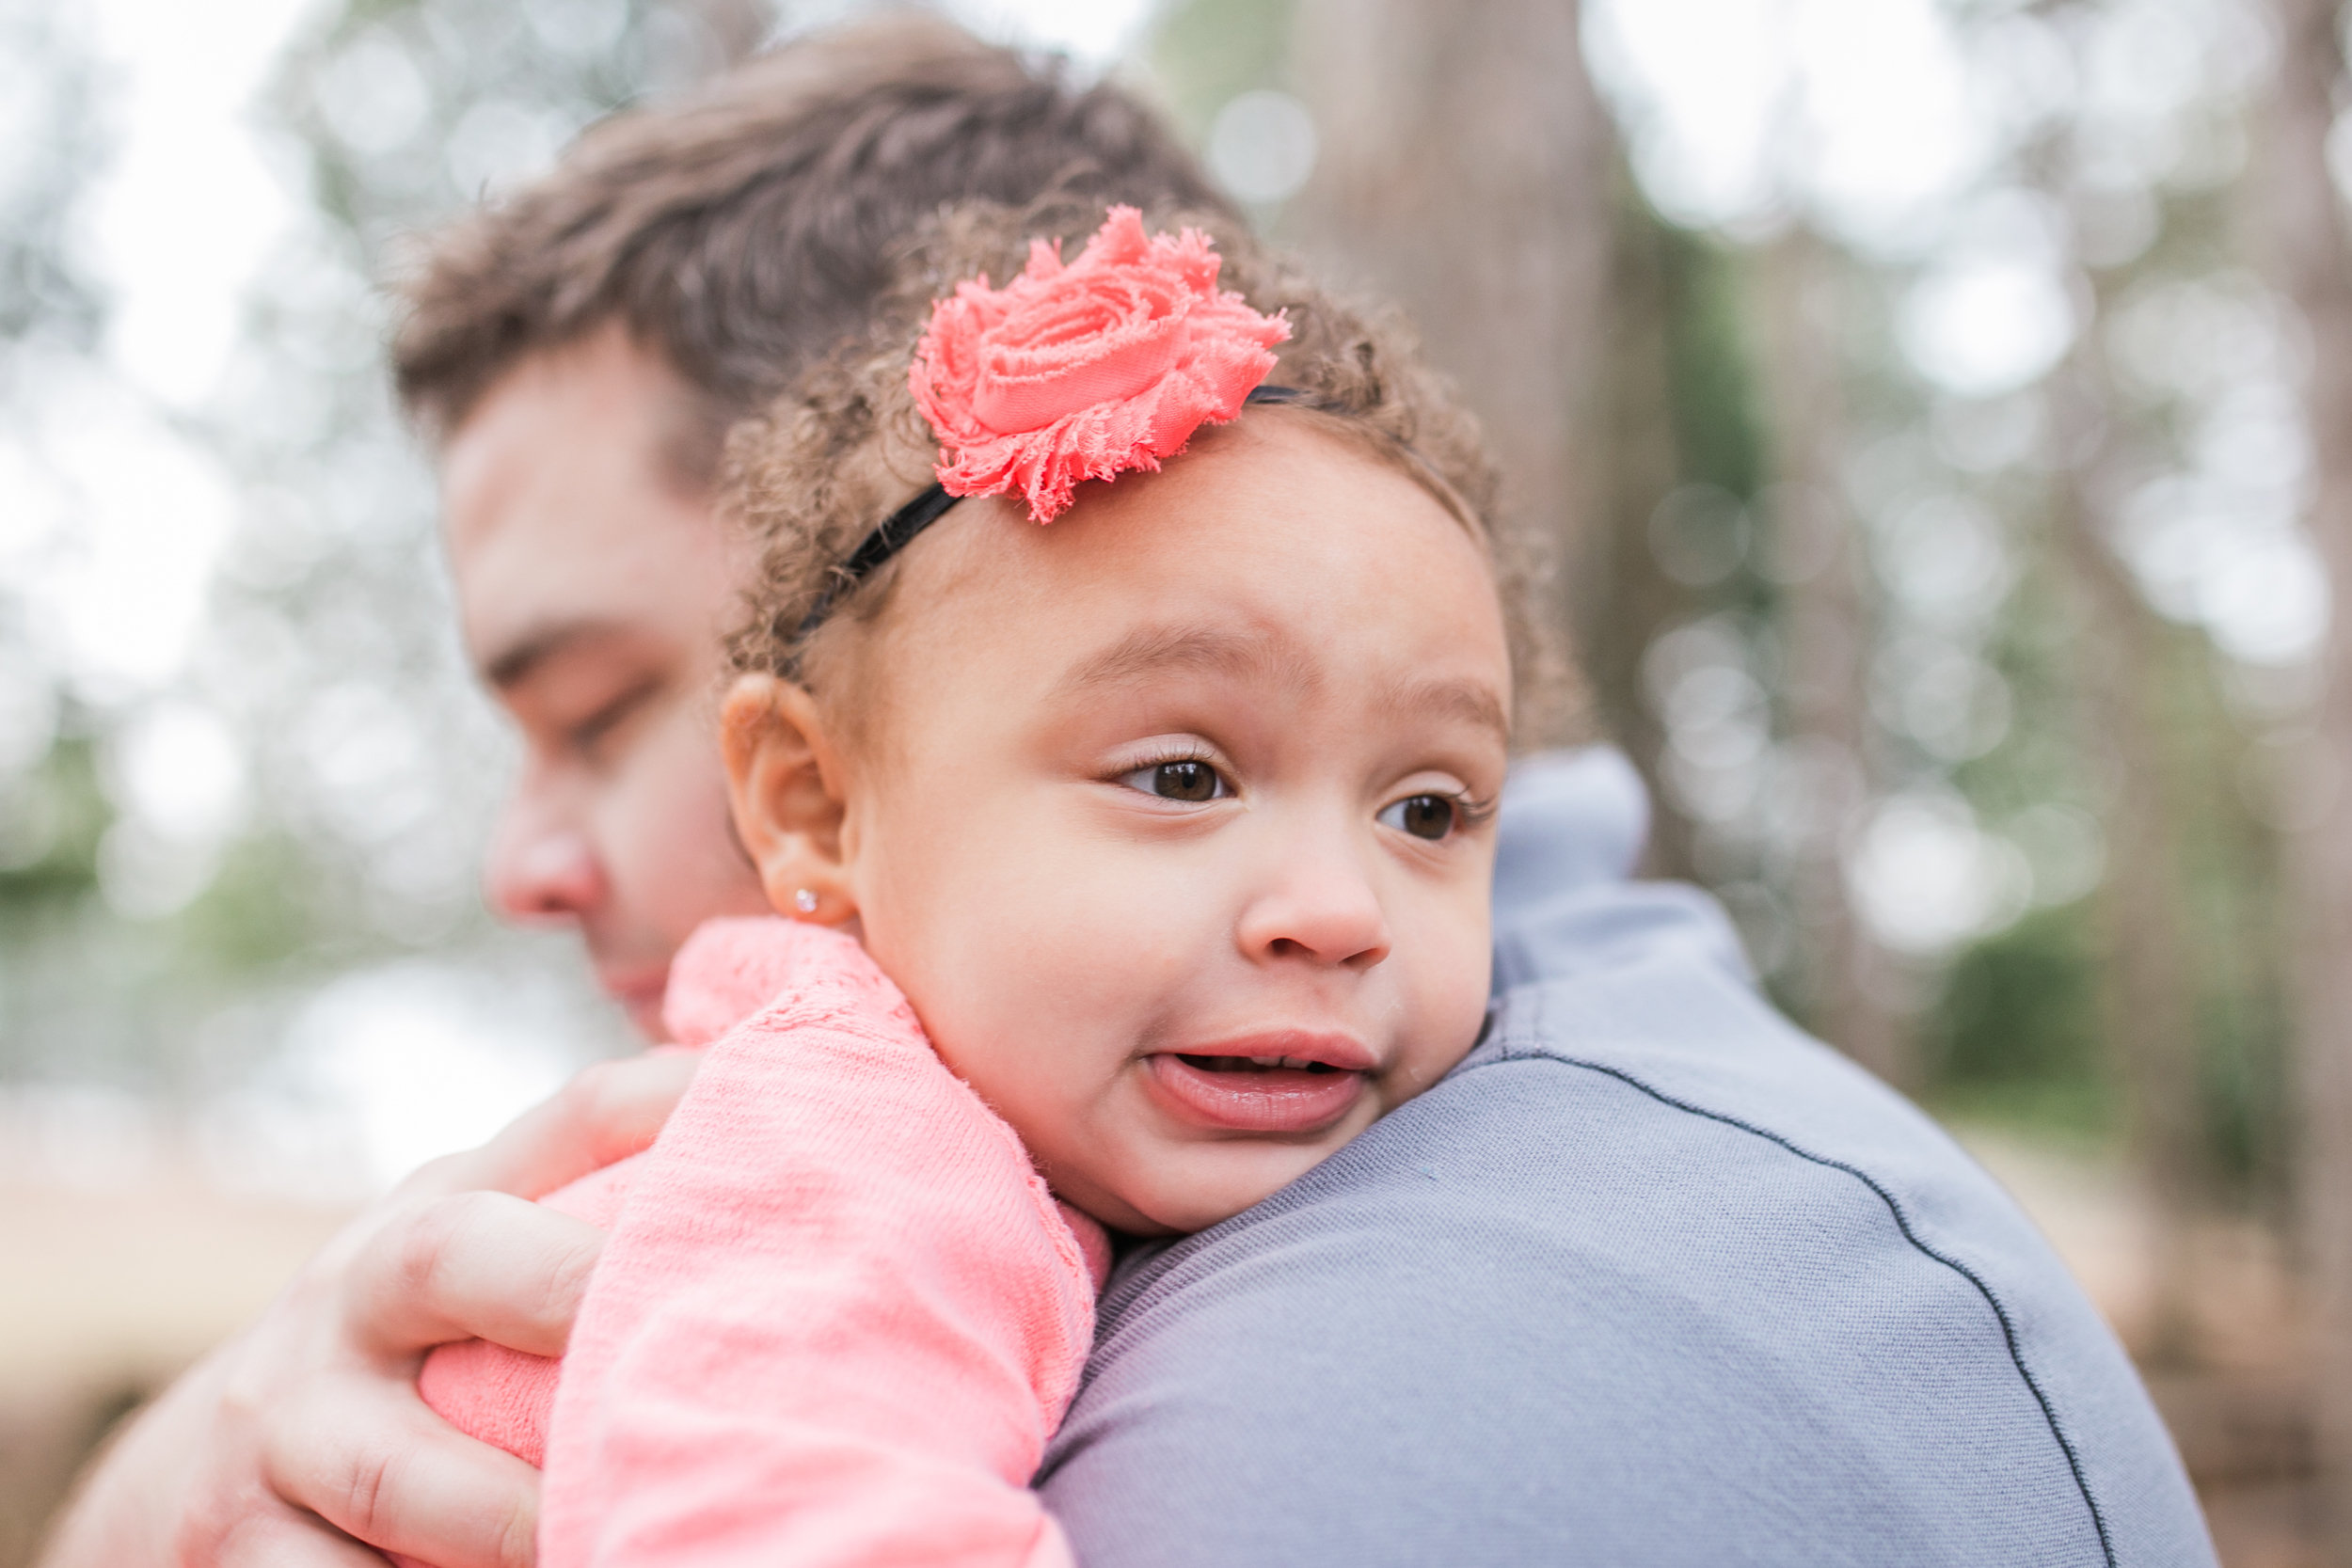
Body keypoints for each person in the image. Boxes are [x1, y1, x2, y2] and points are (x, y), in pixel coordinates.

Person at [40, 19, 2218, 1568]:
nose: (524, 865)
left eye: (597, 700)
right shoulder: (1047, 1130)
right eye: (1180, 775)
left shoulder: (1344, 1369)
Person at [418, 202, 1542, 1565]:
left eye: (1427, 809)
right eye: (1182, 778)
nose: (1339, 910)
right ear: (817, 807)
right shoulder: (847, 1152)